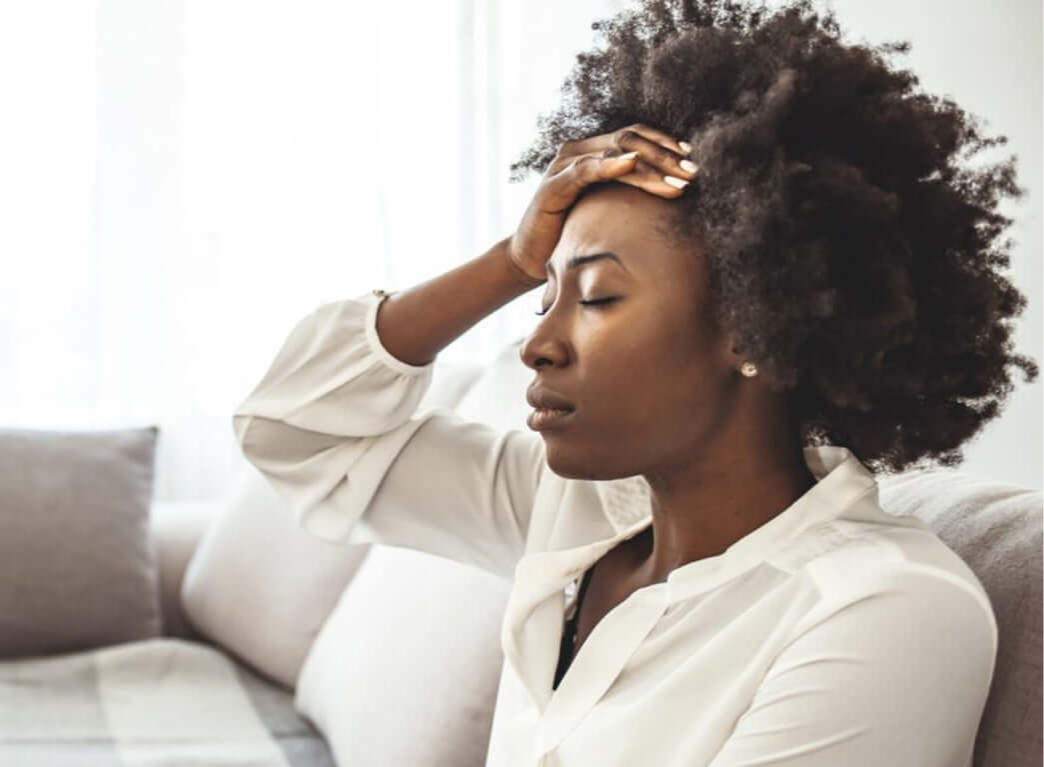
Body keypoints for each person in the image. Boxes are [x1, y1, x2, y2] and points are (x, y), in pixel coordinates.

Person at [231, 1, 1038, 764]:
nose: (537, 343)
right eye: (542, 294)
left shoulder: (879, 611)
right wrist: (506, 262)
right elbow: (299, 433)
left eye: (597, 297)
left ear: (753, 327)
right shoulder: (574, 514)